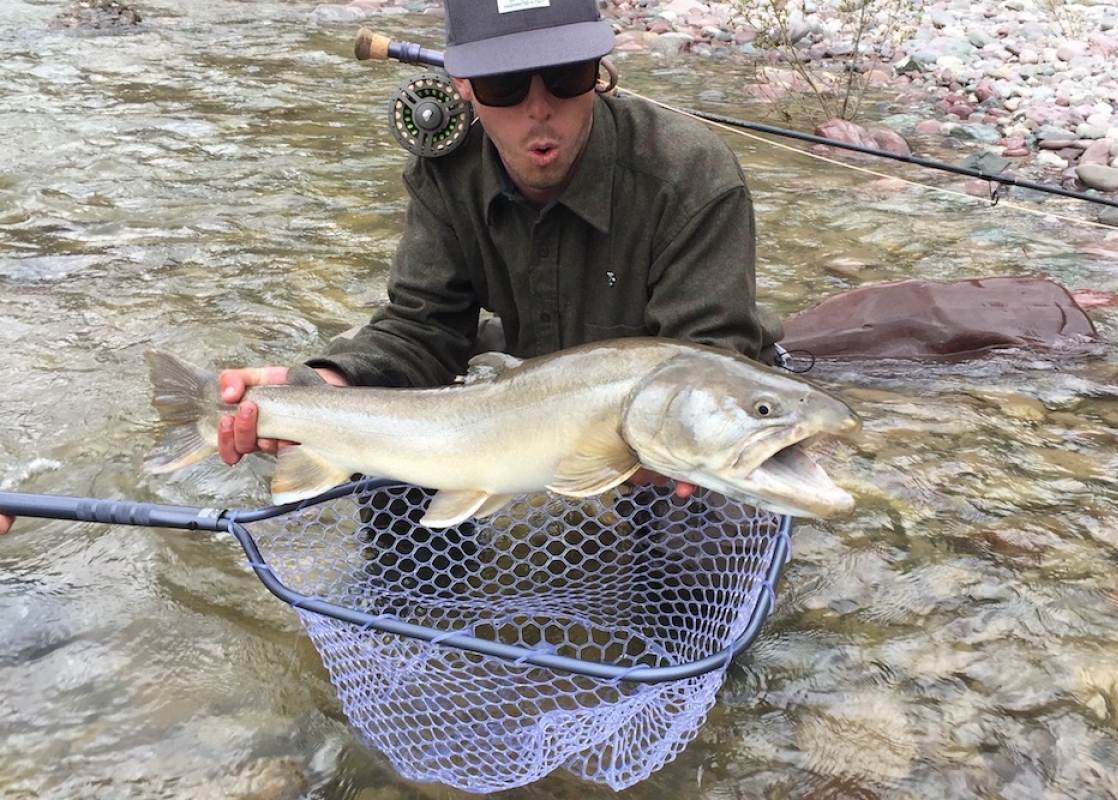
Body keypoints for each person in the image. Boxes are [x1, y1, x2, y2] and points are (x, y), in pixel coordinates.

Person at [0, 0, 777, 536]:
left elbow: (713, 358)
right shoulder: (447, 167)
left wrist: (652, 455)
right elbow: (422, 326)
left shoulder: (691, 173)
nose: (539, 109)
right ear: (467, 89)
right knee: (391, 474)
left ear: (600, 69)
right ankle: (431, 636)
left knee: (697, 532)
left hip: (649, 399)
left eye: (565, 76)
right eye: (508, 85)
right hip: (508, 381)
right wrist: (318, 387)